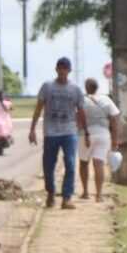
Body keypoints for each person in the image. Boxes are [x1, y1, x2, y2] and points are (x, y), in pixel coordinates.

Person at [29, 57, 87, 210]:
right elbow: (39, 107)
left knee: (70, 163)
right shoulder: (48, 87)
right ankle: (51, 192)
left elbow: (81, 110)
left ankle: (66, 197)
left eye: (65, 68)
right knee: (48, 165)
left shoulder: (75, 90)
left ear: (69, 71)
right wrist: (32, 129)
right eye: (60, 68)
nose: (62, 71)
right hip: (51, 132)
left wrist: (86, 131)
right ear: (56, 69)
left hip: (69, 131)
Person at [77, 78, 119, 203]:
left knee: (84, 163)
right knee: (99, 164)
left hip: (86, 134)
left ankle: (85, 192)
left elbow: (77, 118)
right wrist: (115, 140)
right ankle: (99, 195)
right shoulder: (106, 100)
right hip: (103, 134)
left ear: (86, 87)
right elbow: (114, 120)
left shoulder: (81, 100)